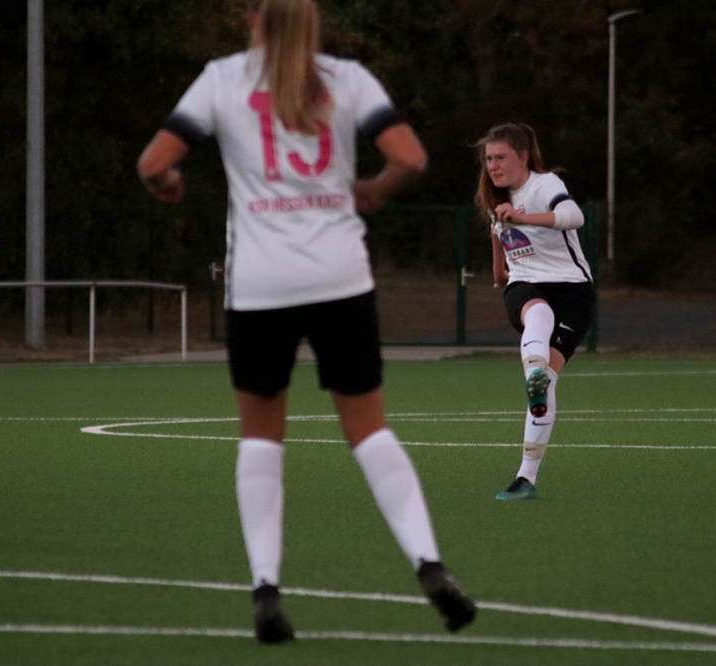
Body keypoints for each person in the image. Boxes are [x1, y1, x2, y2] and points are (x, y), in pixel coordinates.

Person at [137, 0, 475, 643]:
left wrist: (165, 185)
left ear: (251, 18)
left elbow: (153, 163)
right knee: (369, 430)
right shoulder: (348, 78)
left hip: (260, 285)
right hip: (340, 277)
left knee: (261, 438)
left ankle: (266, 588)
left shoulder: (222, 79)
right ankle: (429, 565)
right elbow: (410, 157)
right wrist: (374, 189)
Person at [474, 123, 597, 501]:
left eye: (501, 157)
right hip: (526, 286)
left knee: (548, 382)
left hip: (573, 292)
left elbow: (574, 216)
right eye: (489, 159)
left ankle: (526, 480)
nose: (493, 166)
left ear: (524, 157)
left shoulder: (545, 186)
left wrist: (522, 218)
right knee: (537, 311)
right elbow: (499, 266)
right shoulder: (496, 202)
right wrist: (501, 273)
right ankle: (535, 375)